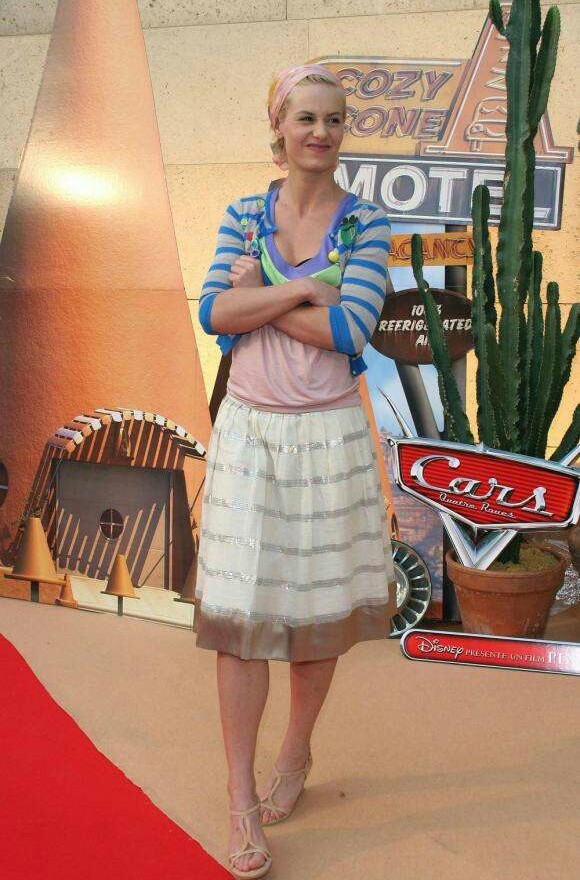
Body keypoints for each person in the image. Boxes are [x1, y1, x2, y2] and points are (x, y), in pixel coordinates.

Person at [193, 63, 397, 879]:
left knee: (316, 620)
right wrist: (309, 290)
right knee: (239, 622)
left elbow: (351, 331)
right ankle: (241, 799)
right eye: (306, 117)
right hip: (249, 437)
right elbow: (213, 311)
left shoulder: (368, 222)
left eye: (334, 119)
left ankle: (296, 753)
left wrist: (267, 291)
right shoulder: (243, 213)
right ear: (278, 126)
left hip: (328, 440)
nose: (321, 131)